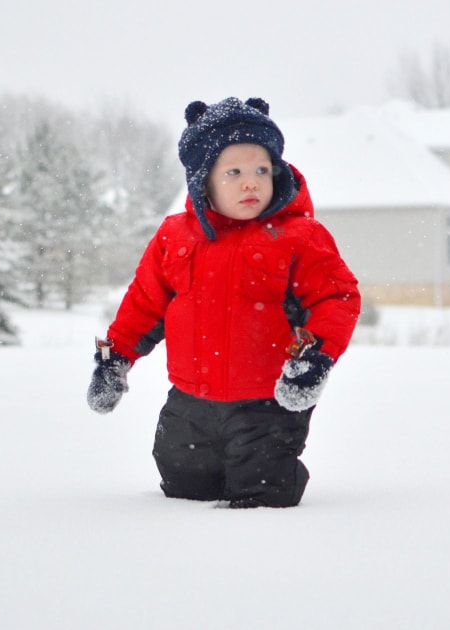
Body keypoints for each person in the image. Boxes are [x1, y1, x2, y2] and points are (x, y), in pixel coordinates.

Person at [86, 97, 360, 508]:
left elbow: (335, 298)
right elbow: (144, 303)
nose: (251, 182)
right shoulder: (174, 236)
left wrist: (315, 357)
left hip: (266, 404)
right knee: (183, 484)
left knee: (262, 489)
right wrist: (115, 358)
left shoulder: (298, 237)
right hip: (190, 402)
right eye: (234, 172)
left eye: (261, 170)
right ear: (203, 179)